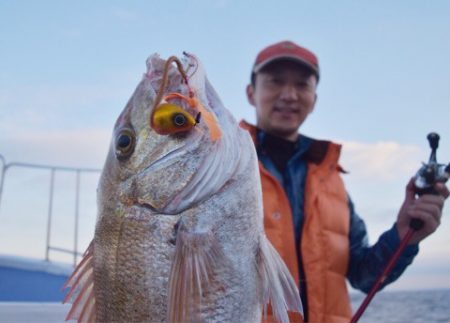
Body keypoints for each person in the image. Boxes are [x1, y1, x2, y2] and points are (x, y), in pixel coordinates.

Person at [240, 40, 449, 322]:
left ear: (314, 100)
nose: (289, 95)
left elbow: (365, 274)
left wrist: (404, 234)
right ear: (251, 93)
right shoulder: (222, 168)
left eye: (302, 85)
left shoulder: (332, 179)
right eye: (275, 82)